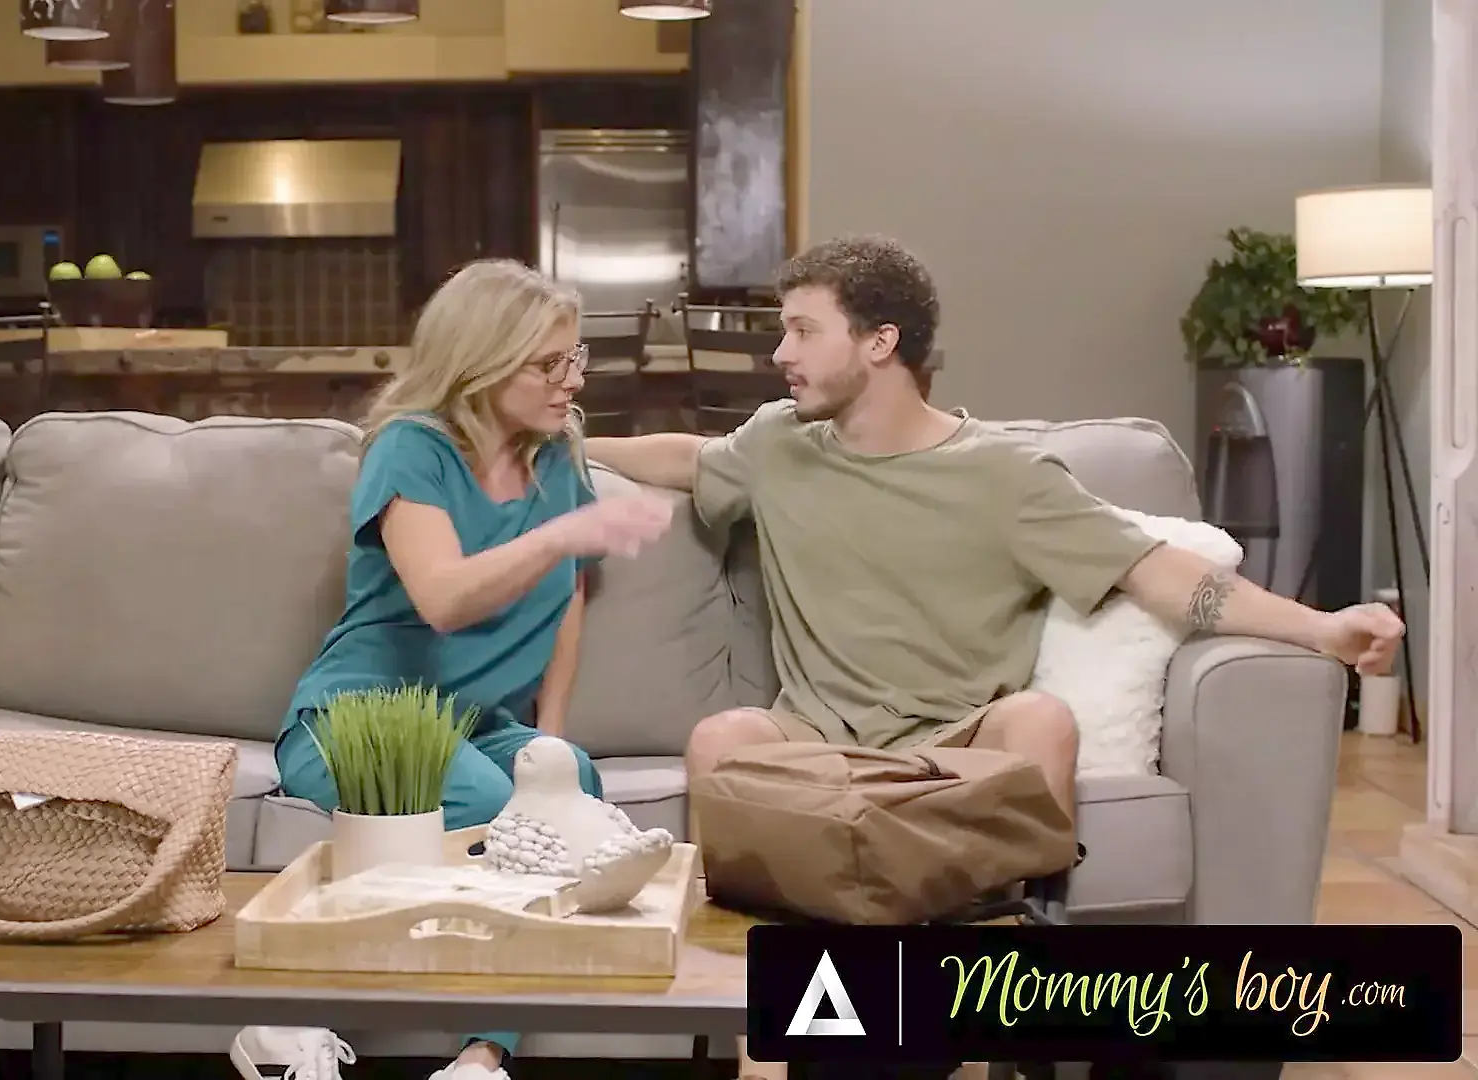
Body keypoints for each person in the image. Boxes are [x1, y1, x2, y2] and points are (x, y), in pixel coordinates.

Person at [589, 234, 1405, 1080]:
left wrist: (1321, 628)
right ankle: (766, 1010)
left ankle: (1015, 1001)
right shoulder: (777, 445)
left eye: (803, 331)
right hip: (819, 749)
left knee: (1039, 720)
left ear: (880, 341)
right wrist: (572, 446)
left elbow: (1157, 571)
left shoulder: (1007, 475)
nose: (780, 354)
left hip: (955, 752)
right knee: (722, 740)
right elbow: (690, 458)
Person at [232, 259, 675, 1080]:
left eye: (576, 358)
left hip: (477, 725)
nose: (572, 382)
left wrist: (549, 739)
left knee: (568, 786)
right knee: (492, 803)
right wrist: (559, 536)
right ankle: (292, 1012)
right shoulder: (413, 449)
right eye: (550, 364)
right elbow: (442, 598)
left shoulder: (558, 455)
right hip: (362, 720)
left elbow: (568, 599)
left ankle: (481, 1057)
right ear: (483, 363)